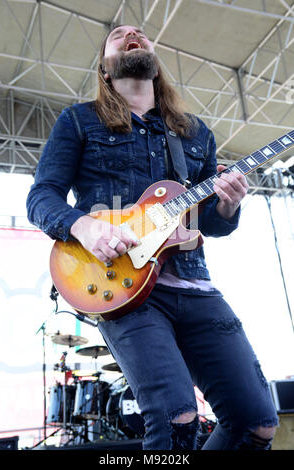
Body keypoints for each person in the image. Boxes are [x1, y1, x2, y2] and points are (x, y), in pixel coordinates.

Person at [26, 25, 278, 450]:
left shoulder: (196, 134)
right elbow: (41, 196)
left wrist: (228, 206)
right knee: (177, 421)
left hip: (195, 285)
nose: (132, 36)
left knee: (256, 424)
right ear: (105, 69)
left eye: (140, 33)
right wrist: (84, 227)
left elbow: (206, 224)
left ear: (154, 61)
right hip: (123, 284)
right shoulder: (80, 120)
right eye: (118, 36)